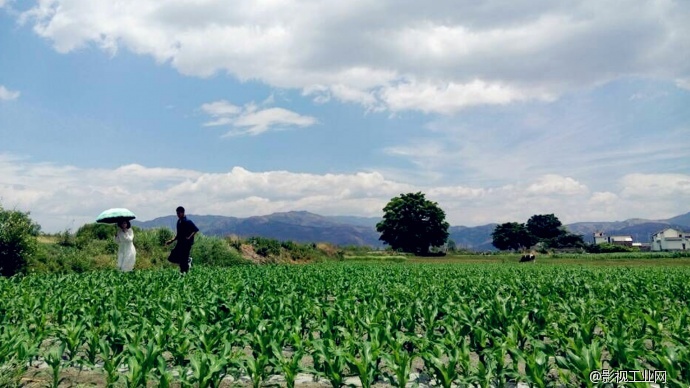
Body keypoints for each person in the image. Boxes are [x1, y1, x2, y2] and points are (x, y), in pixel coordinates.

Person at [166, 206, 199, 273]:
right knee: (172, 257)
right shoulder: (179, 222)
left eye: (179, 213)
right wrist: (171, 241)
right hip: (180, 243)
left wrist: (189, 237)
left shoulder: (188, 221)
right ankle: (188, 260)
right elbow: (178, 234)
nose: (177, 215)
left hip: (187, 244)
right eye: (177, 213)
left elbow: (195, 230)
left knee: (183, 261)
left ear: (183, 213)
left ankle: (184, 272)